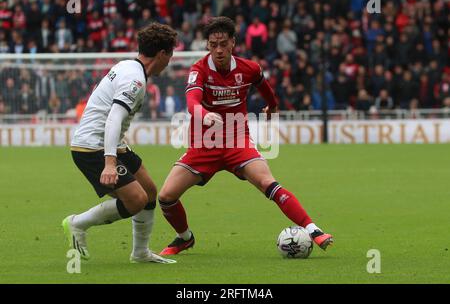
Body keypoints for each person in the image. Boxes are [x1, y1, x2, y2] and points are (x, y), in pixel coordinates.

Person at [158, 17, 333, 256]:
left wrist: (272, 106)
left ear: (232, 42)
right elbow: (192, 103)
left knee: (267, 182)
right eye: (212, 44)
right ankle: (184, 238)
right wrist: (203, 114)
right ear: (207, 45)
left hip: (237, 141)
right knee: (166, 196)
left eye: (222, 43)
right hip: (204, 146)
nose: (218, 50)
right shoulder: (198, 70)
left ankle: (313, 230)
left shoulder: (249, 68)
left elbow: (267, 91)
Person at [62, 23, 178, 264]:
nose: (170, 62)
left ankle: (140, 253)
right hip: (91, 147)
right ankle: (77, 224)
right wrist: (110, 162)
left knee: (149, 191)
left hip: (113, 143)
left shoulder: (127, 66)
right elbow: (114, 117)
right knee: (136, 200)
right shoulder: (134, 80)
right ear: (162, 54)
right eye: (170, 55)